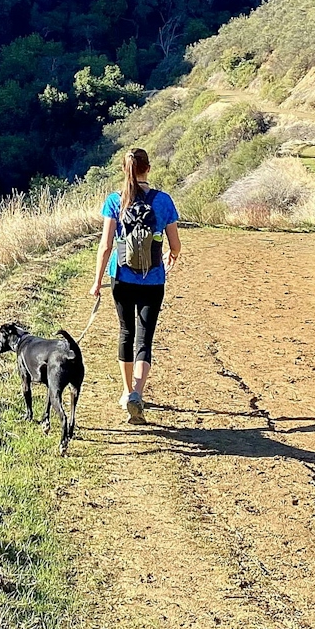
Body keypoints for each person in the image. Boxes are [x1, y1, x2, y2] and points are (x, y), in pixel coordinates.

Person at [90, 147, 181, 424]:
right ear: (148, 169)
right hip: (153, 279)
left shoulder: (115, 201)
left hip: (122, 277)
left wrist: (96, 282)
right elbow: (175, 245)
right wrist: (171, 256)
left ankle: (127, 390)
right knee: (145, 338)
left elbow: (106, 246)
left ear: (124, 169)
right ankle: (137, 395)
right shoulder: (163, 201)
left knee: (126, 332)